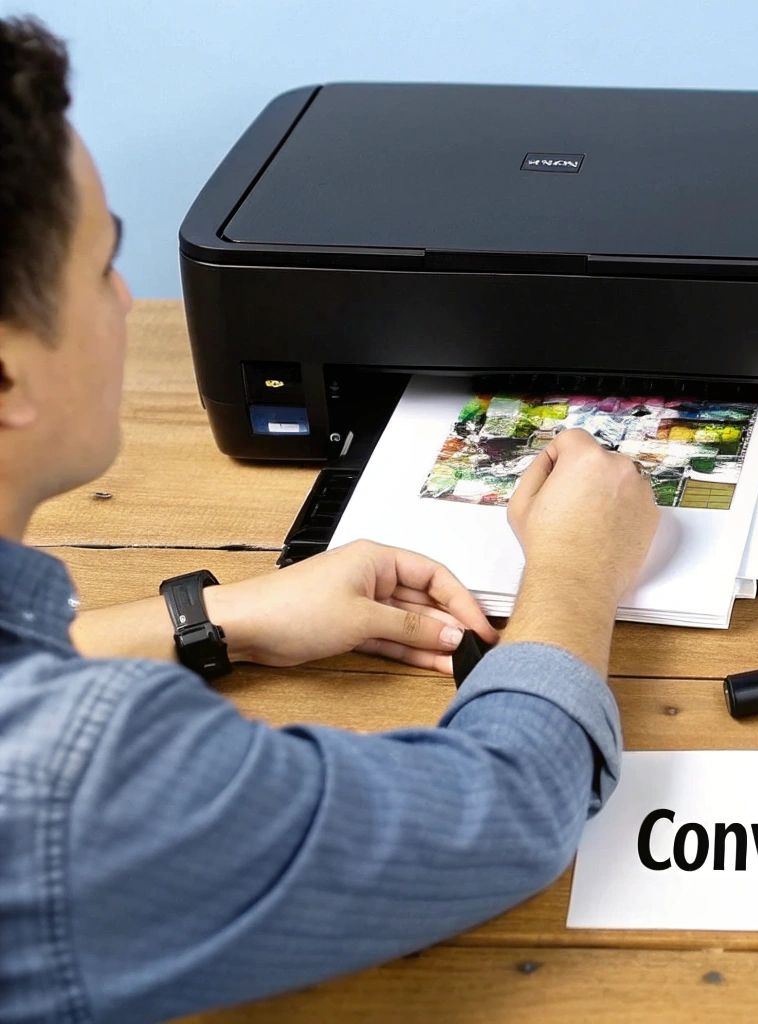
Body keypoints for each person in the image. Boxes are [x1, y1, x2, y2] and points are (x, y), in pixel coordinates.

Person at [0, 17, 659, 1022]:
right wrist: (575, 568)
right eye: (102, 266)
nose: (129, 302)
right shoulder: (78, 784)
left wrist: (213, 617)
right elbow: (504, 811)